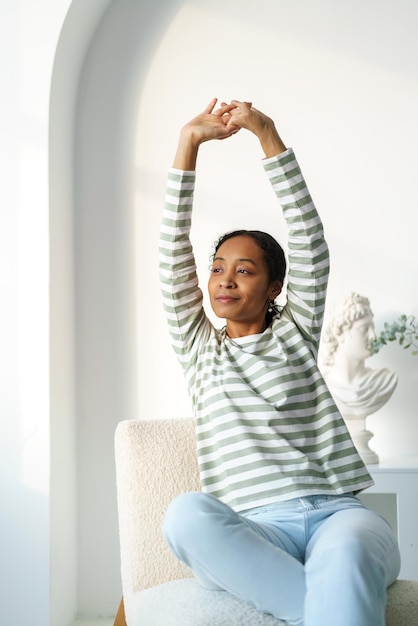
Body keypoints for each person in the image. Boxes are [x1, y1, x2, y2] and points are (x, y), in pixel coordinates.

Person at [159, 99, 400, 626]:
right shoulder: (201, 350)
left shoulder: (294, 333)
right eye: (218, 268)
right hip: (253, 530)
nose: (224, 279)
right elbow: (171, 251)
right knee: (184, 515)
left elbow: (311, 242)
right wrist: (187, 144)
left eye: (244, 271)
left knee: (354, 551)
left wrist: (266, 134)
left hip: (338, 514)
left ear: (273, 288)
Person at [320, 291, 398, 417]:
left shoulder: (383, 381)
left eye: (372, 329)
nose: (374, 337)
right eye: (364, 329)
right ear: (339, 333)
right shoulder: (322, 387)